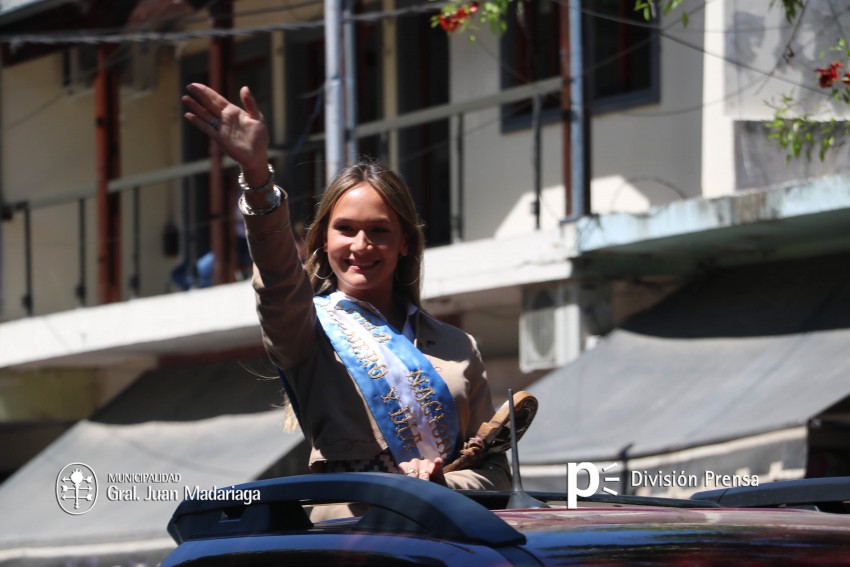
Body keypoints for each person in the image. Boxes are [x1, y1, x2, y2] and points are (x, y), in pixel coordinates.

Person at [182, 83, 511, 506]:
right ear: (322, 239)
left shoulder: (457, 346)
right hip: (351, 536)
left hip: (450, 542)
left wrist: (441, 484)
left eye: (379, 231)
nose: (360, 245)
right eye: (345, 229)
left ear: (405, 243)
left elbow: (497, 472)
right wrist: (259, 176)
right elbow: (281, 280)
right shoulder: (307, 332)